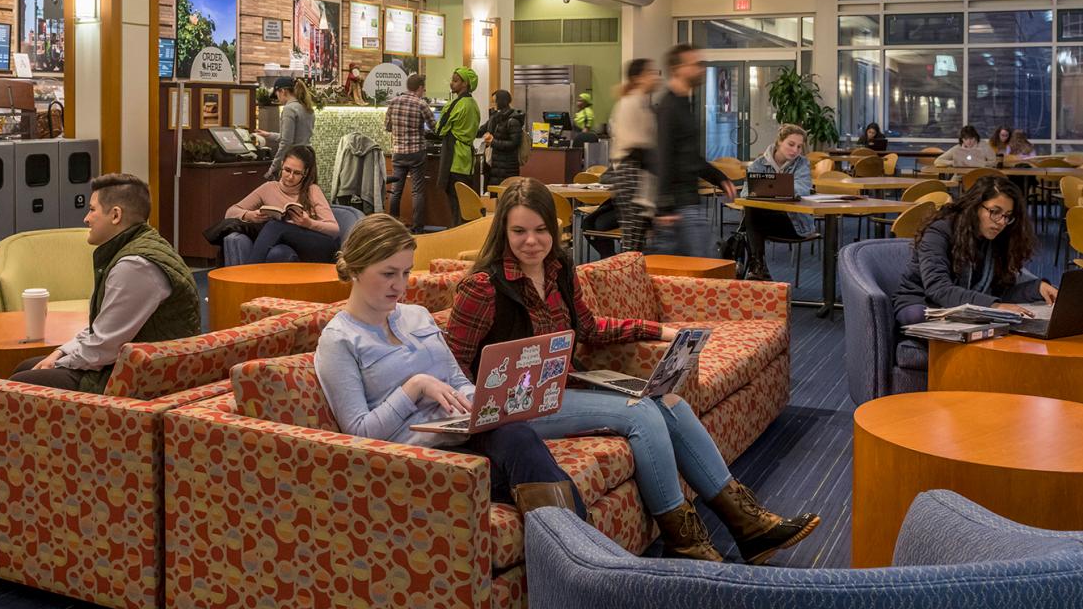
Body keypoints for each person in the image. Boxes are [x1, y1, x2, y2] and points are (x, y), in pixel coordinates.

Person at [445, 178, 820, 563]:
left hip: (562, 392)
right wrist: (485, 394)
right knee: (640, 413)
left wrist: (659, 330)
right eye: (519, 231)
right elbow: (451, 360)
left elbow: (589, 328)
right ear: (503, 231)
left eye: (541, 230)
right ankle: (684, 540)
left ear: (553, 230)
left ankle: (749, 524)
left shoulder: (559, 271)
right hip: (514, 410)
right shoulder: (483, 288)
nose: (531, 241)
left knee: (670, 402)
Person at [315, 213, 586, 517]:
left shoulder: (416, 315)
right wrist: (415, 387)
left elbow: (458, 382)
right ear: (356, 270)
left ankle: (581, 554)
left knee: (518, 435)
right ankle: (586, 549)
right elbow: (358, 434)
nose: (399, 286)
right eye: (388, 274)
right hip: (416, 456)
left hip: (462, 431)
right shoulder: (339, 340)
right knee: (521, 467)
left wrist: (488, 405)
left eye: (405, 273)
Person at [12, 173, 201, 391]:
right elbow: (102, 327)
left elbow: (105, 347)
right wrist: (60, 352)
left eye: (92, 210)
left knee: (21, 385)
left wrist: (57, 363)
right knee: (25, 368)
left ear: (115, 215)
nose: (86, 218)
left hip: (142, 378)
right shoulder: (136, 249)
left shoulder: (135, 265)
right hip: (134, 366)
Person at [894, 174, 1057, 326]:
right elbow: (938, 289)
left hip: (968, 306)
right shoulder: (939, 231)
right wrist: (994, 306)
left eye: (1007, 216)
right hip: (923, 302)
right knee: (918, 315)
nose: (1001, 222)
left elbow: (997, 292)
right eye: (995, 212)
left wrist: (1036, 288)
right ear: (975, 206)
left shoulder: (997, 239)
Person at [649, 44, 736, 257]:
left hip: (687, 203)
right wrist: (664, 208)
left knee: (695, 273)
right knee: (699, 272)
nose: (701, 69)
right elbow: (664, 157)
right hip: (679, 206)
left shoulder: (684, 103)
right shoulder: (670, 107)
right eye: (695, 64)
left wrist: (719, 177)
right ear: (678, 69)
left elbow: (689, 157)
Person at [225, 146, 341, 263]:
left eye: (297, 173)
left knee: (274, 226)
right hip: (289, 245)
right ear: (282, 165)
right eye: (287, 170)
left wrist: (309, 223)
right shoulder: (268, 188)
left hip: (319, 245)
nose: (290, 177)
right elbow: (230, 212)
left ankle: (248, 274)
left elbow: (334, 230)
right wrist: (249, 215)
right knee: (279, 252)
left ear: (305, 173)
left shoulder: (312, 190)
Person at [742, 125, 816, 281]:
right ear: (779, 142)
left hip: (795, 223)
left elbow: (802, 188)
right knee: (750, 209)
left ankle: (757, 267)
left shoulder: (802, 163)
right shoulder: (759, 163)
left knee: (751, 220)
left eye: (799, 147)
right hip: (767, 221)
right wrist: (781, 190)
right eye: (791, 144)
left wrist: (769, 190)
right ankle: (758, 265)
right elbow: (745, 192)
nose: (795, 150)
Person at [608, 58, 660, 252]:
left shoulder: (641, 103)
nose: (655, 77)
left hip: (637, 173)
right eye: (650, 73)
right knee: (633, 241)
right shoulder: (630, 103)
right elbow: (637, 146)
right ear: (638, 78)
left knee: (637, 239)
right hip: (631, 173)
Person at [384, 73, 436, 232]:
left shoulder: (393, 102)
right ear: (420, 87)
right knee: (417, 191)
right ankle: (418, 228)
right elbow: (434, 126)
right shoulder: (421, 104)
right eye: (424, 89)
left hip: (398, 152)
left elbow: (387, 127)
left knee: (396, 190)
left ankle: (393, 226)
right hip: (416, 153)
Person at [436, 67, 481, 227]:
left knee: (455, 206)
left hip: (454, 160)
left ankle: (456, 238)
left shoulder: (455, 104)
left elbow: (439, 129)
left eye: (455, 80)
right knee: (465, 205)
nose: (451, 83)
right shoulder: (474, 104)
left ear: (465, 83)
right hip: (467, 162)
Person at [255, 76, 316, 180]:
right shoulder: (306, 107)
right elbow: (297, 136)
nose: (278, 98)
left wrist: (273, 167)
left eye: (277, 94)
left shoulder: (289, 109)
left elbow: (286, 142)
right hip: (308, 156)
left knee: (289, 195)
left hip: (295, 159)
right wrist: (268, 135)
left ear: (283, 91)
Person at [480, 89, 525, 188]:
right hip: (494, 165)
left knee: (506, 194)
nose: (493, 104)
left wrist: (493, 141)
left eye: (494, 101)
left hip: (507, 166)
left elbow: (514, 144)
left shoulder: (513, 121)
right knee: (494, 195)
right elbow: (481, 130)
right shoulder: (494, 118)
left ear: (500, 101)